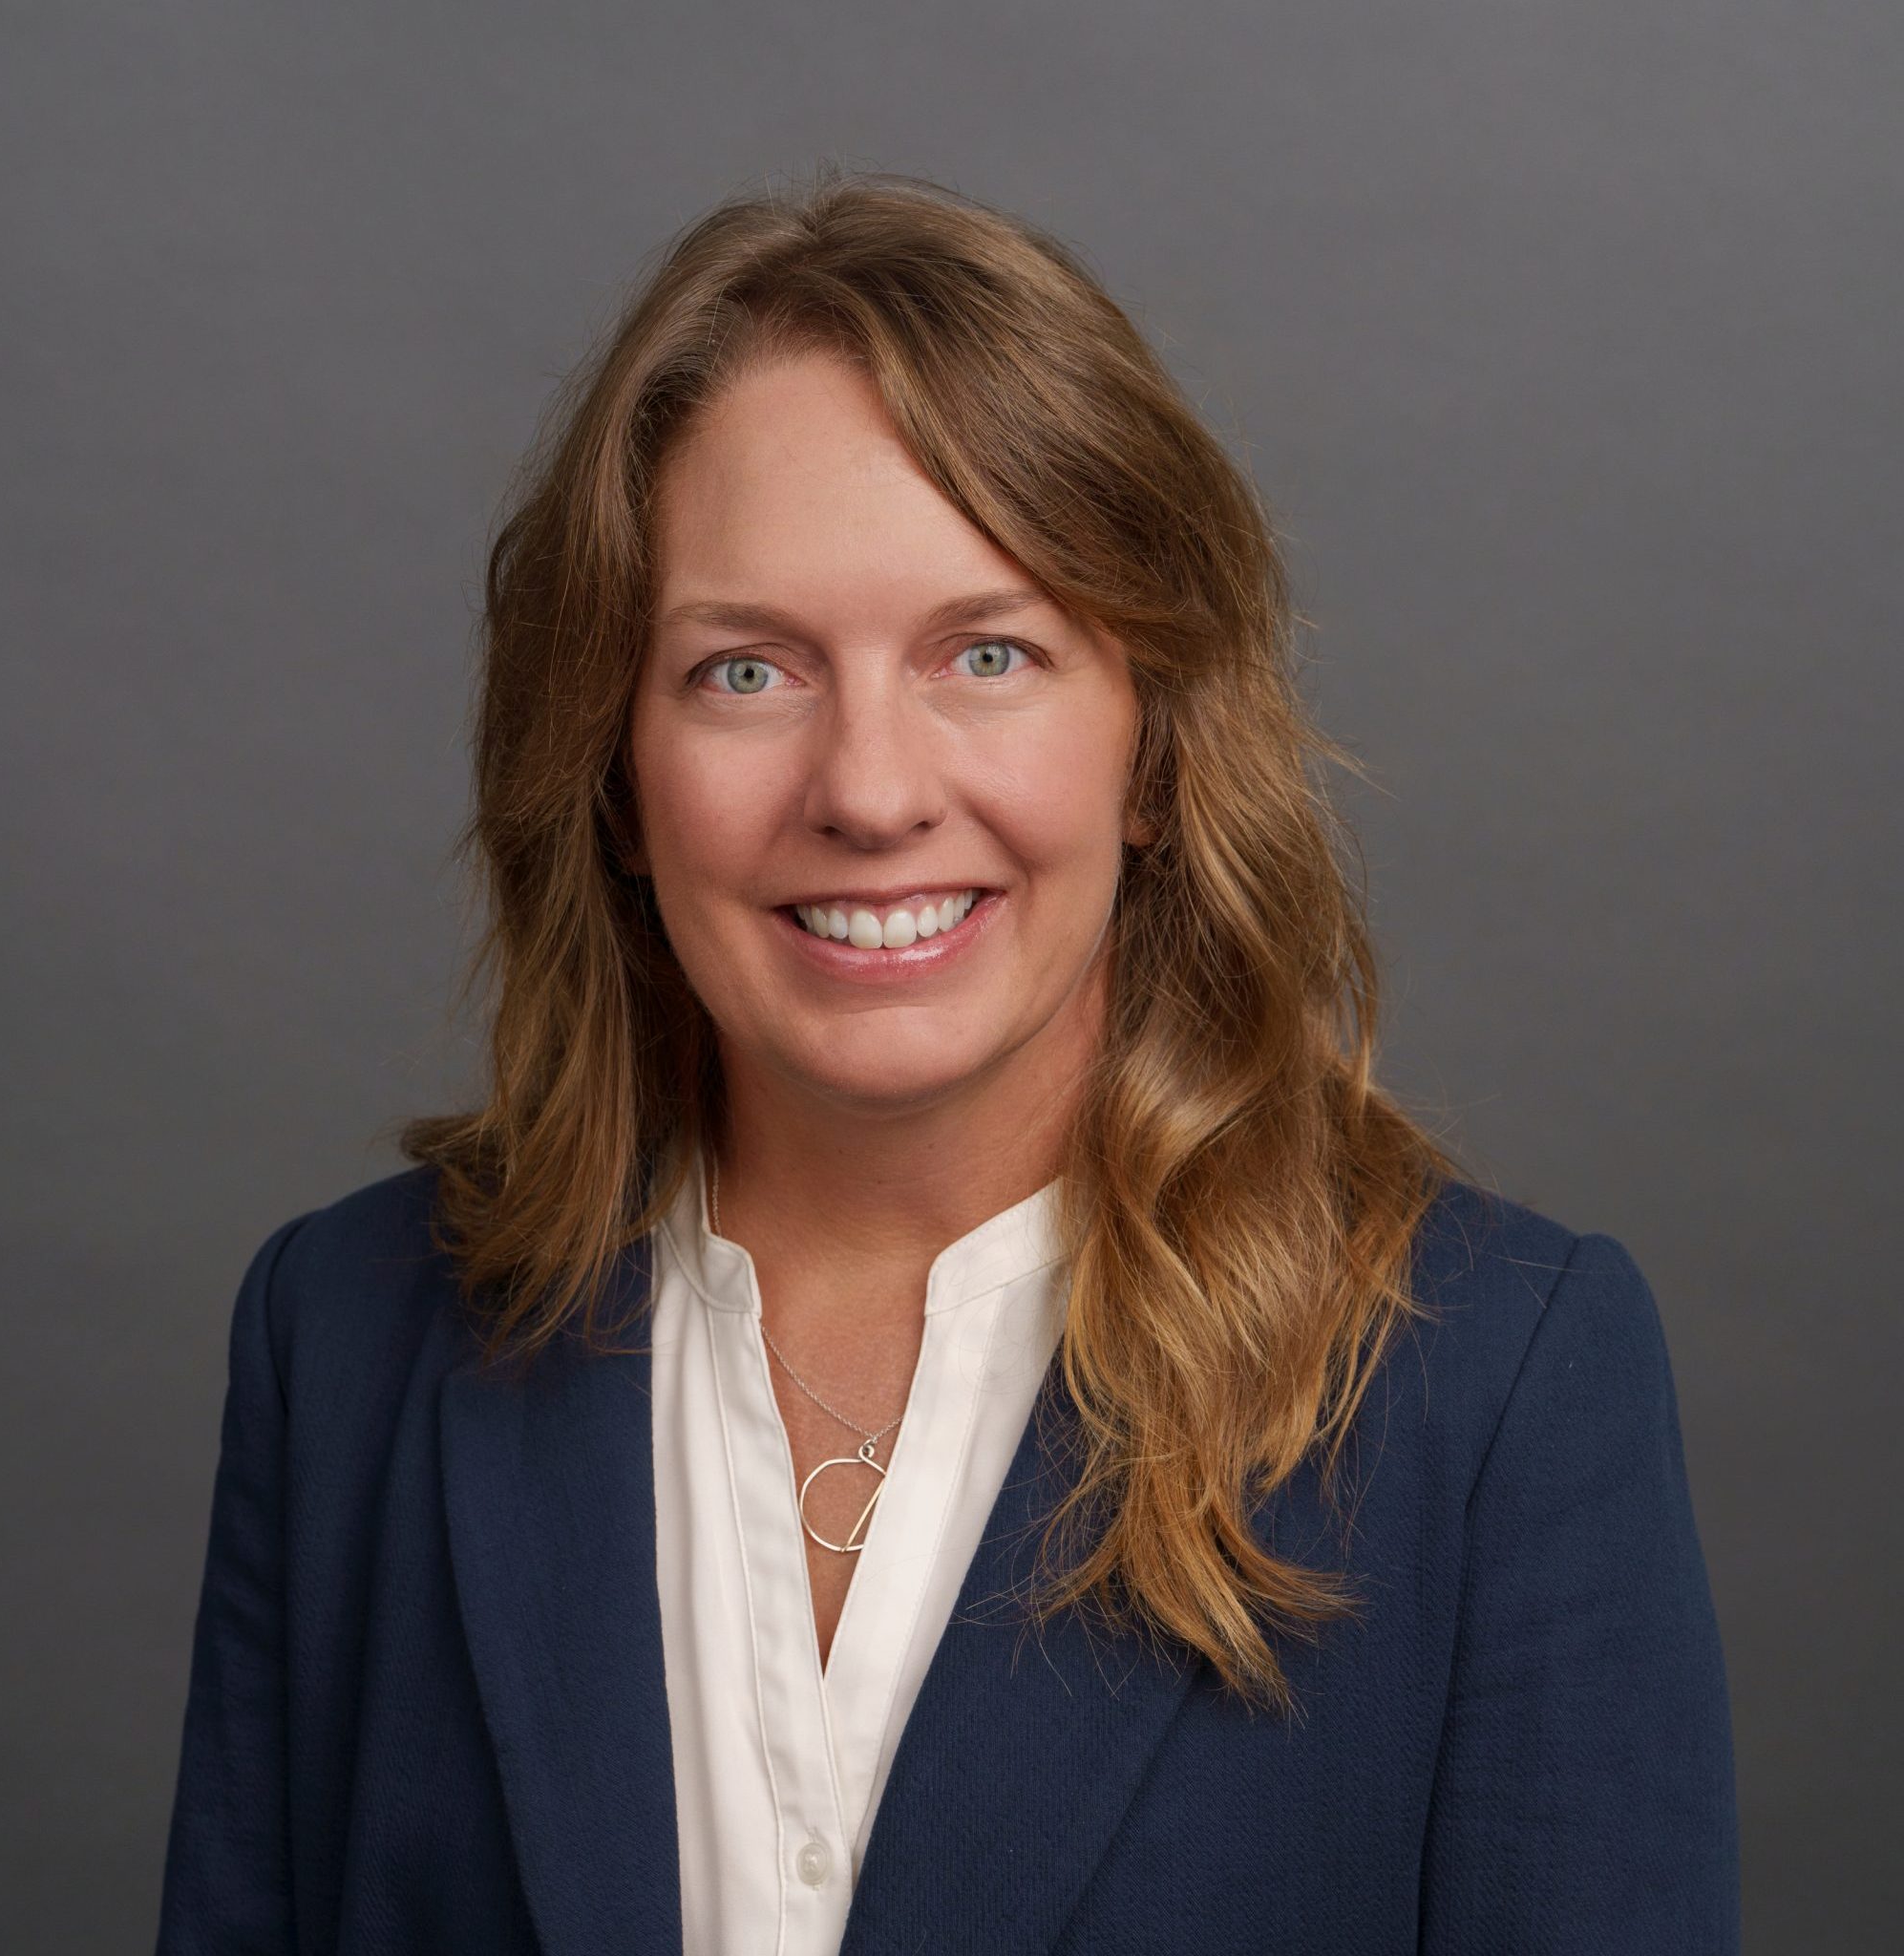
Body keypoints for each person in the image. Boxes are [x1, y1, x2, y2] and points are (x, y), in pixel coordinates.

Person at [153, 167, 1741, 1955]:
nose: (874, 790)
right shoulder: (346, 1339)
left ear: (1152, 749)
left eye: (988, 653)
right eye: (744, 673)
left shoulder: (1498, 1387)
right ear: (609, 768)